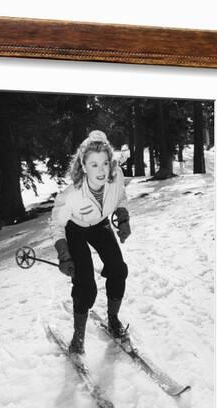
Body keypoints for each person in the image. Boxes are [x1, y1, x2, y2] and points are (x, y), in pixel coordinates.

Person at [50, 130, 131, 354]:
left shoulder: (116, 178)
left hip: (100, 224)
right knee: (86, 286)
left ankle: (113, 319)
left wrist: (122, 216)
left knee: (118, 269)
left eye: (105, 163)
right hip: (76, 229)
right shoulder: (71, 194)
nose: (101, 170)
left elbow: (120, 195)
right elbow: (56, 223)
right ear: (83, 166)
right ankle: (78, 337)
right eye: (94, 164)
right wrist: (64, 254)